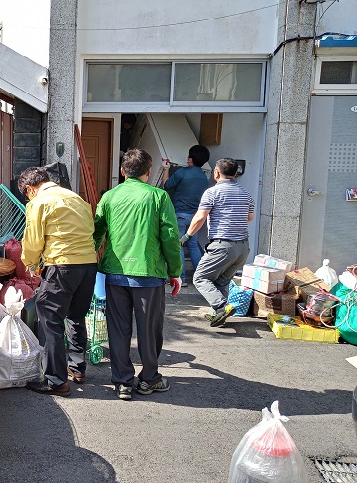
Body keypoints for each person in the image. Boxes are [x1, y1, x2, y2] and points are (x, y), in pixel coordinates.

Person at [93, 149, 182, 401]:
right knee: (149, 328)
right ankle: (149, 379)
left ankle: (122, 381)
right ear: (148, 171)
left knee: (118, 328)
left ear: (123, 171)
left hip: (115, 272)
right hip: (148, 272)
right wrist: (175, 271)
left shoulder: (109, 197)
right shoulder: (158, 196)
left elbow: (97, 232)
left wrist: (90, 262)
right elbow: (170, 237)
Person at [19, 167, 97, 398]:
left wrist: (30, 263)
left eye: (27, 194)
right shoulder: (75, 197)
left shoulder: (38, 202)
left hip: (62, 265)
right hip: (88, 264)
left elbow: (33, 241)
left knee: (49, 319)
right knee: (76, 315)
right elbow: (90, 229)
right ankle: (77, 368)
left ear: (30, 189)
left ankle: (55, 381)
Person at [185, 158, 255, 328]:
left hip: (222, 245)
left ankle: (221, 306)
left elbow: (200, 217)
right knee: (222, 281)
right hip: (243, 247)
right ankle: (219, 315)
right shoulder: (246, 193)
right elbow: (249, 218)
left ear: (216, 173)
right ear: (235, 173)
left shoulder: (212, 193)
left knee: (200, 277)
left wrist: (186, 236)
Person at [162, 145, 210, 287]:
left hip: (180, 215)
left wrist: (166, 169)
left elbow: (166, 185)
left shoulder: (182, 172)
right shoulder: (204, 177)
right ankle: (200, 278)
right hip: (195, 217)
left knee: (179, 245)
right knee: (193, 245)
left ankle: (181, 278)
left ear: (190, 159)